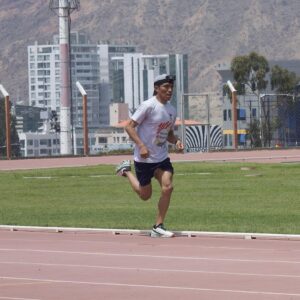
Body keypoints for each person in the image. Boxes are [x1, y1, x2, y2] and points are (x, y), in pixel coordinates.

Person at [115, 74, 184, 238]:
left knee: (168, 187)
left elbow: (168, 133)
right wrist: (141, 146)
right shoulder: (148, 106)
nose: (169, 90)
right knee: (145, 196)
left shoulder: (172, 110)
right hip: (144, 159)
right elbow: (129, 127)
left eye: (171, 87)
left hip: (161, 158)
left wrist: (177, 141)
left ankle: (158, 226)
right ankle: (126, 171)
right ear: (156, 88)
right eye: (166, 87)